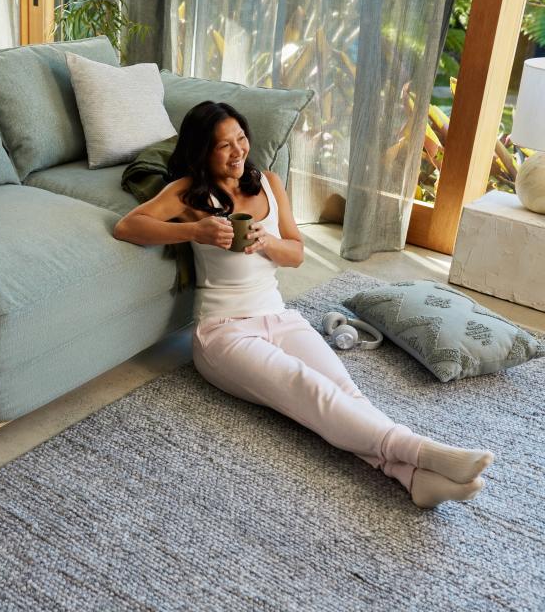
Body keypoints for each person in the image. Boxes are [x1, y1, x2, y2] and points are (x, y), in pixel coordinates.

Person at [112, 101, 494, 508]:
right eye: (223, 145)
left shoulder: (270, 183)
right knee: (307, 388)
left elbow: (295, 253)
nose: (238, 150)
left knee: (346, 391)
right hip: (223, 332)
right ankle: (421, 451)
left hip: (279, 315)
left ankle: (411, 476)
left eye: (241, 138)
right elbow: (128, 226)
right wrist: (196, 231)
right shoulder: (186, 193)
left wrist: (267, 242)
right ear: (202, 151)